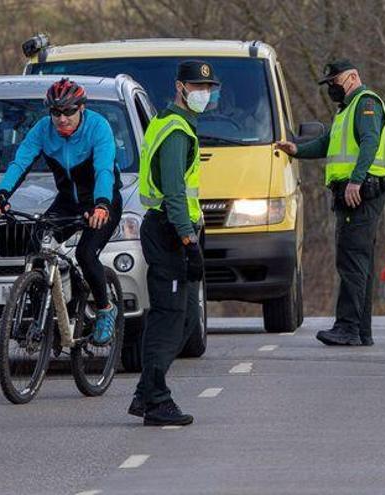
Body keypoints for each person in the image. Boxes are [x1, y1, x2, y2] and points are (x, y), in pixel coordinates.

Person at [0, 78, 121, 344]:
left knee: (85, 253)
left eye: (69, 111)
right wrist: (1, 196)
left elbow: (104, 169)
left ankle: (106, 309)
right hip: (68, 200)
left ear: (82, 108)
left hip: (101, 200)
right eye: (56, 112)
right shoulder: (42, 130)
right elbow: (20, 162)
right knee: (37, 242)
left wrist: (102, 204)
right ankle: (39, 319)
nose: (62, 118)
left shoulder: (98, 127)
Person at [275, 59, 385, 347]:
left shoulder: (366, 103)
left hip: (360, 193)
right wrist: (297, 150)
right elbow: (326, 143)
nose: (331, 89)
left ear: (352, 77)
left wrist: (356, 180)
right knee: (358, 262)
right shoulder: (346, 111)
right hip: (356, 193)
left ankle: (348, 327)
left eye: (334, 82)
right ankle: (360, 331)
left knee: (351, 261)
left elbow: (369, 141)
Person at [128, 60, 217, 426]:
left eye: (208, 89)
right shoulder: (177, 131)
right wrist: (188, 240)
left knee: (180, 319)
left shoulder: (167, 122)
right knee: (170, 319)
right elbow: (175, 192)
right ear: (180, 88)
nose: (204, 94)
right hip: (170, 231)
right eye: (197, 88)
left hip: (167, 228)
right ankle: (156, 398)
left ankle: (145, 394)